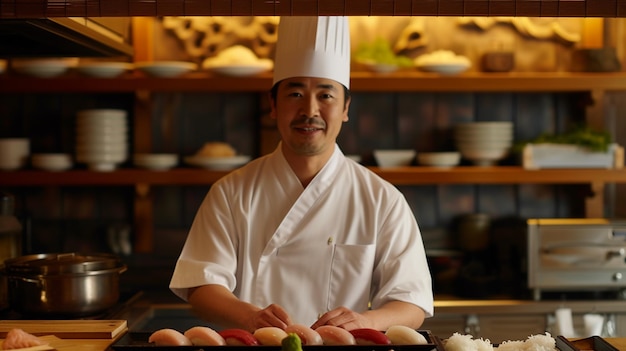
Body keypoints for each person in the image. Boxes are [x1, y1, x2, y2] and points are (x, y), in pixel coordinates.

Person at [169, 16, 433, 333]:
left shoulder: (382, 199)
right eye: (295, 94)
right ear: (273, 105)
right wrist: (250, 318)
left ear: (346, 108)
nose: (310, 110)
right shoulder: (232, 191)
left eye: (326, 95)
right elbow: (201, 286)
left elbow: (411, 302)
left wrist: (364, 321)